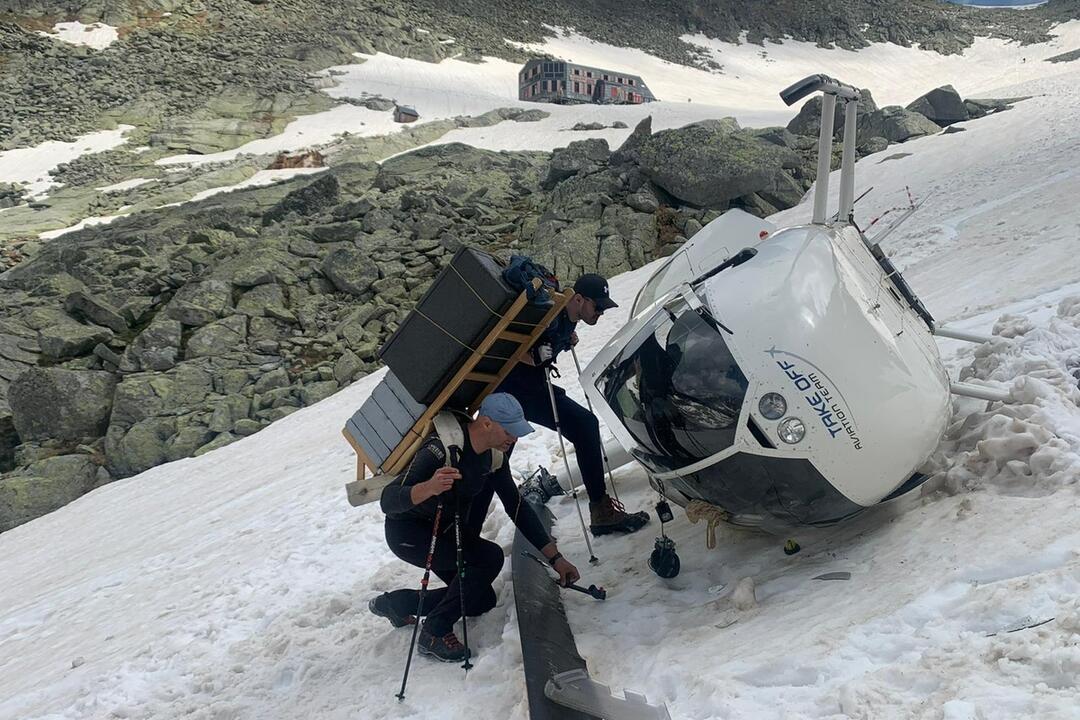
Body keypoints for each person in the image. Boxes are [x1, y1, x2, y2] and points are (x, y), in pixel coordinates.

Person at [371, 393, 580, 663]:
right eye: (509, 431)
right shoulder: (441, 448)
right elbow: (388, 501)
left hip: (445, 531)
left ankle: (398, 604)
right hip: (408, 534)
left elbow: (516, 506)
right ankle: (433, 632)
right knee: (488, 558)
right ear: (487, 423)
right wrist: (430, 487)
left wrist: (556, 558)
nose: (514, 439)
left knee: (481, 600)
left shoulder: (493, 457)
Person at [497, 273, 649, 536]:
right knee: (494, 463)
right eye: (597, 306)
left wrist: (564, 342)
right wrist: (532, 355)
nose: (600, 312)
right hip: (511, 394)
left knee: (584, 425)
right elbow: (506, 343)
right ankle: (466, 530)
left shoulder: (568, 320)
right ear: (578, 299)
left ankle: (601, 512)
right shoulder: (547, 312)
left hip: (533, 390)